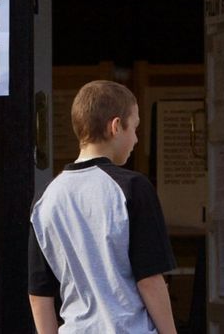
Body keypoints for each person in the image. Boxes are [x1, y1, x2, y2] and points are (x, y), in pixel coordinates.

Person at [28, 80, 178, 334]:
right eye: (135, 128)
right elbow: (150, 281)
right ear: (116, 126)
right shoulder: (133, 187)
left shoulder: (46, 198)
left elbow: (40, 294)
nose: (136, 139)